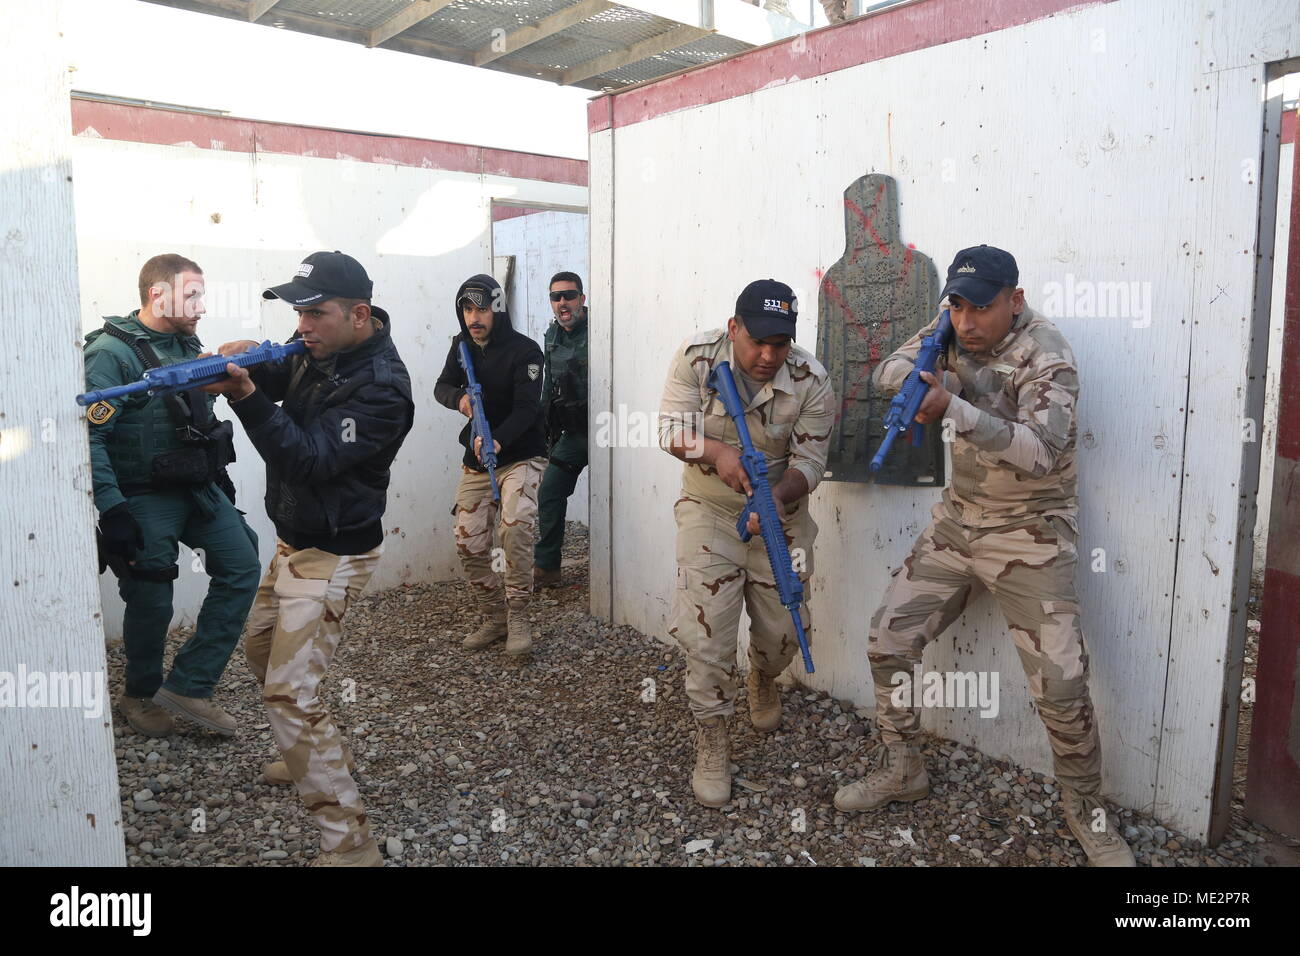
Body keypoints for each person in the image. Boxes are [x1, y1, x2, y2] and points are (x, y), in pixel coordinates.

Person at [832, 245, 1136, 867]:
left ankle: (1088, 812)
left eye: (983, 307)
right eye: (958, 305)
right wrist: (930, 376)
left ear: (1015, 301)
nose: (967, 321)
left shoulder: (1046, 353)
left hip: (1030, 532)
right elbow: (886, 371)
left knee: (1061, 683)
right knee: (887, 639)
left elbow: (1041, 452)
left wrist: (956, 406)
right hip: (958, 524)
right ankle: (905, 767)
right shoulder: (948, 329)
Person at [207, 250, 414, 867]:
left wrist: (244, 396)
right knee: (261, 652)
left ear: (358, 314)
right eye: (298, 312)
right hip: (294, 542)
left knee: (289, 695)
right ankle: (312, 751)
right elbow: (284, 378)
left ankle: (350, 844)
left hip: (334, 550)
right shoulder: (320, 350)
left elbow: (308, 458)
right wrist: (246, 358)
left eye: (315, 313)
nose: (303, 326)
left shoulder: (381, 388)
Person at [658, 279, 835, 807]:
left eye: (779, 344)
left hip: (780, 512)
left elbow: (812, 464)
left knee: (785, 630)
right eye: (757, 341)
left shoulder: (810, 378)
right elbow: (669, 430)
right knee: (707, 632)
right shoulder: (696, 359)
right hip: (709, 508)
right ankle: (712, 738)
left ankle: (764, 675)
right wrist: (718, 452)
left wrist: (776, 496)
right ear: (734, 328)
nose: (767, 355)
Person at [84, 253, 260, 739]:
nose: (201, 305)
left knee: (242, 565)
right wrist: (112, 506)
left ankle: (190, 684)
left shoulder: (189, 344)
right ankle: (139, 694)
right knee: (152, 597)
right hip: (142, 495)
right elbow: (92, 436)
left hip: (198, 490)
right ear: (157, 295)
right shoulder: (109, 353)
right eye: (192, 294)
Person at [435, 274, 547, 656]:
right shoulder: (461, 346)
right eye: (467, 309)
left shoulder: (527, 351)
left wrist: (498, 439)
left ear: (497, 309)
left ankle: (518, 617)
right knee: (468, 541)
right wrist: (461, 401)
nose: (474, 317)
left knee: (514, 528)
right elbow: (442, 386)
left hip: (521, 454)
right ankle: (494, 617)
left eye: (482, 308)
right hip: (479, 458)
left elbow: (527, 409)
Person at [534, 271, 589, 589]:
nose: (563, 302)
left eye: (569, 295)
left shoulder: (599, 330)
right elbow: (547, 385)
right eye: (556, 297)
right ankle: (547, 568)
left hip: (607, 430)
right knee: (550, 491)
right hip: (574, 434)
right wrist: (542, 427)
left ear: (582, 298)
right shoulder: (552, 336)